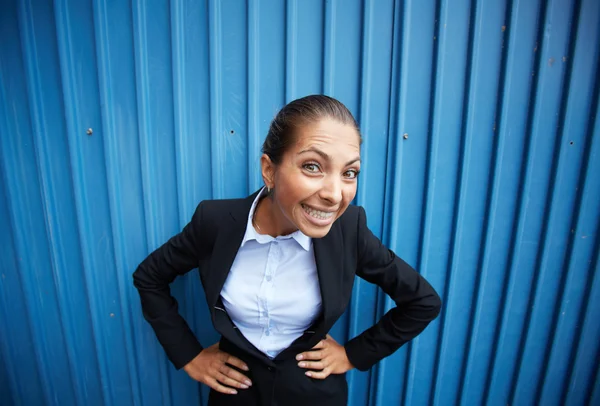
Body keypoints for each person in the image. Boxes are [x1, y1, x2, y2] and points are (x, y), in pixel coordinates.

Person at [132, 95, 441, 406]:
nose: (335, 195)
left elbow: (422, 301)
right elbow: (149, 278)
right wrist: (190, 356)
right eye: (312, 166)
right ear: (269, 170)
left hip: (314, 396)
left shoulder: (349, 230)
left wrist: (353, 354)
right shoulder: (214, 223)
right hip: (235, 395)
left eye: (349, 173)